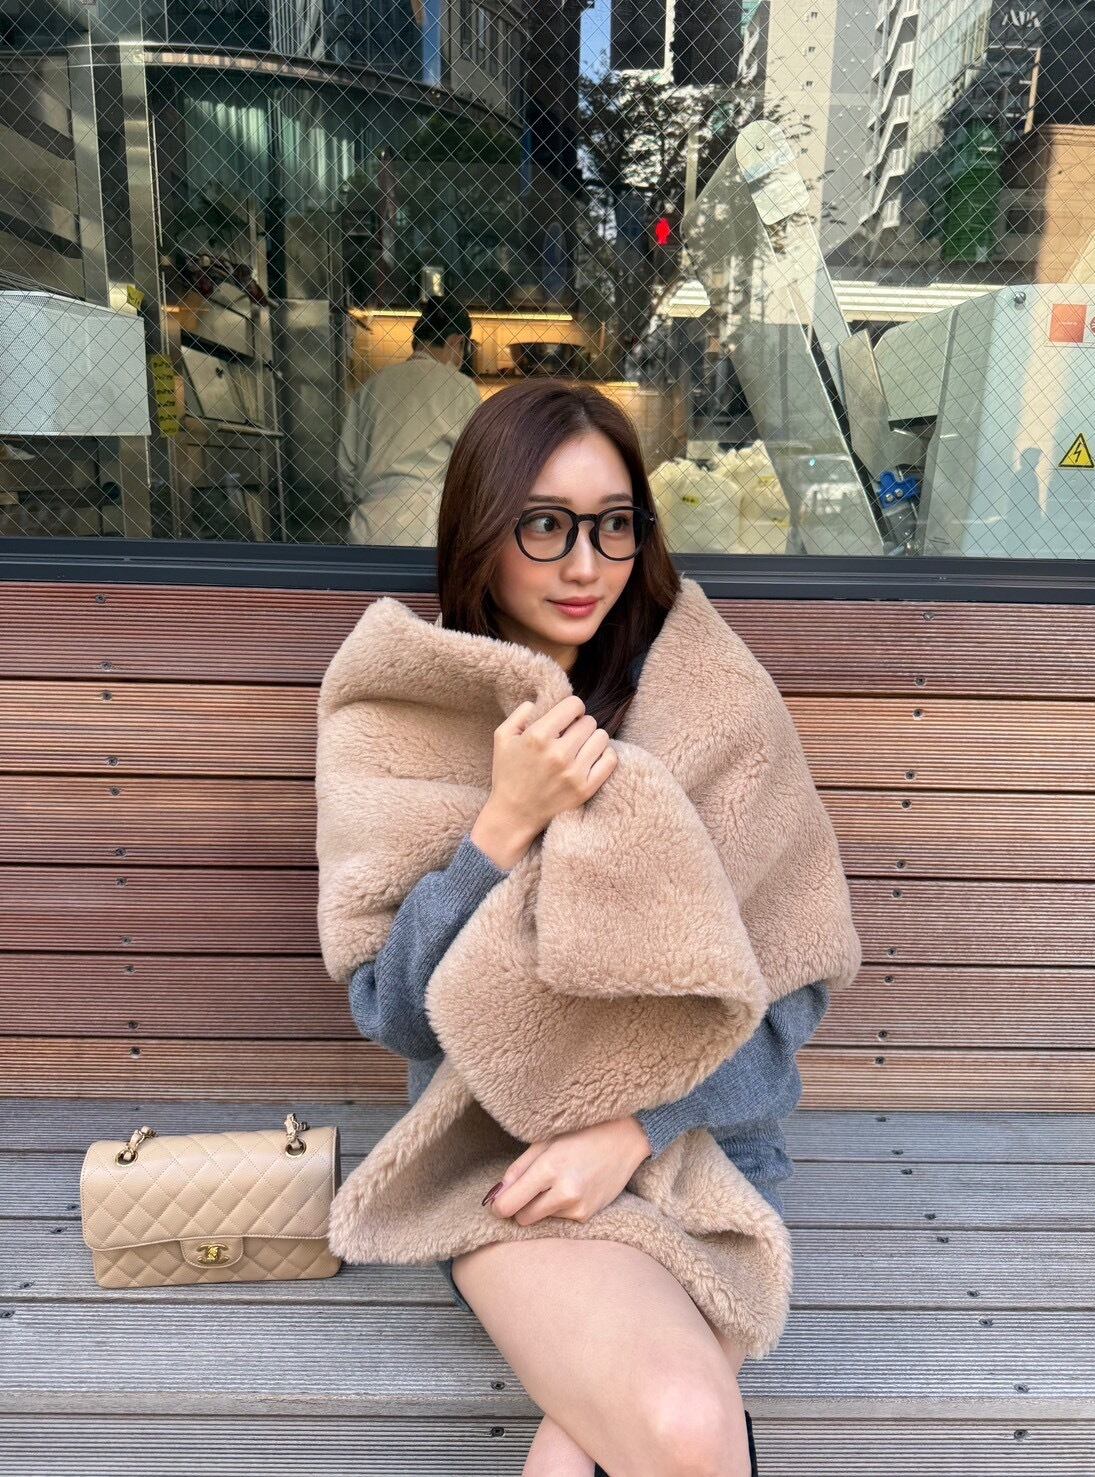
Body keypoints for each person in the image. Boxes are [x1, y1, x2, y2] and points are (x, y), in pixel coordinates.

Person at [344, 379, 827, 1476]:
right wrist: (501, 825)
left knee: (600, 1450)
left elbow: (791, 992)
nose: (584, 564)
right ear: (481, 529)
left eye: (614, 524)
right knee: (683, 1422)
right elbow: (396, 1013)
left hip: (704, 1152)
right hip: (500, 1156)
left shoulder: (715, 701)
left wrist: (637, 1127)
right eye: (544, 525)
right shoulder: (408, 707)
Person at [337, 295, 480, 547]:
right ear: (457, 342)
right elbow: (476, 464)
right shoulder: (460, 387)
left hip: (368, 525)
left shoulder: (373, 385)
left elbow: (346, 467)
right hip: (428, 525)